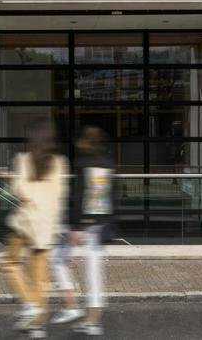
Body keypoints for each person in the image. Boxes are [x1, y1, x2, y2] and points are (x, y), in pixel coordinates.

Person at [3, 119, 68, 337]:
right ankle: (38, 325)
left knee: (11, 263)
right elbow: (60, 194)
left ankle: (30, 304)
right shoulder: (59, 162)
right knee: (41, 278)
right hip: (46, 226)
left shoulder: (24, 159)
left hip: (25, 223)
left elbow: (18, 190)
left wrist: (10, 179)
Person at [63, 125, 116, 337]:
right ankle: (92, 317)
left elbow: (80, 197)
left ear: (85, 141)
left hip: (88, 224)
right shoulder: (107, 163)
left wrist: (77, 226)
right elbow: (109, 197)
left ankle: (92, 319)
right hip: (101, 223)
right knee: (93, 271)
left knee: (88, 270)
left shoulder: (84, 163)